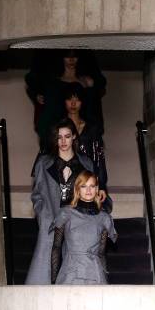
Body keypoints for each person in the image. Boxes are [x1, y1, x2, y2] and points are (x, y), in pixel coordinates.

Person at [25, 119, 108, 285]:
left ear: (74, 137)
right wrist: (43, 215)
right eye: (59, 137)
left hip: (77, 223)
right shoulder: (43, 163)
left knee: (75, 274)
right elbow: (37, 195)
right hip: (51, 222)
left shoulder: (86, 163)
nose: (63, 141)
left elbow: (90, 190)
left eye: (67, 136)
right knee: (44, 272)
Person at [29, 49, 107, 152]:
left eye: (75, 56)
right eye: (67, 56)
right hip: (59, 143)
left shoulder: (87, 84)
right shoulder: (53, 86)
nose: (71, 60)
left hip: (84, 141)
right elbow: (47, 120)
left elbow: (94, 116)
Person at [50, 171, 117, 284]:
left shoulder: (104, 218)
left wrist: (105, 279)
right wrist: (53, 280)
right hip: (70, 273)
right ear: (77, 189)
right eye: (84, 186)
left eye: (92, 186)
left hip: (95, 274)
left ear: (97, 189)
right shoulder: (66, 214)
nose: (88, 190)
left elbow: (101, 253)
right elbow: (56, 247)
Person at [63, 83, 108, 190]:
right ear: (64, 101)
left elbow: (99, 157)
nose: (73, 103)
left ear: (82, 102)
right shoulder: (58, 128)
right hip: (64, 180)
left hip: (87, 180)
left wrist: (101, 185)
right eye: (70, 99)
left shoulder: (91, 128)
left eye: (77, 99)